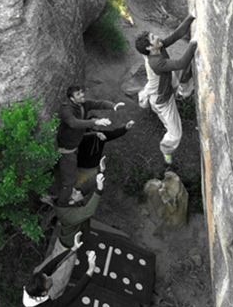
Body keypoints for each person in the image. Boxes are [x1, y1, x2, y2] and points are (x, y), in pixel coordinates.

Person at [135, 14, 197, 165]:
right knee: (176, 134)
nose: (157, 37)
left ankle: (182, 92)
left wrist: (191, 17)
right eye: (153, 38)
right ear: (149, 48)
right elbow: (181, 63)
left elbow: (176, 35)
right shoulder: (156, 62)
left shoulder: (157, 47)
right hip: (163, 101)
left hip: (167, 83)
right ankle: (166, 149)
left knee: (182, 77)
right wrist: (194, 42)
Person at [54, 85, 125, 204]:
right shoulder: (66, 110)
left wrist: (113, 106)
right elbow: (73, 123)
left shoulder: (83, 104)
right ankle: (63, 205)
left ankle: (62, 197)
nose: (82, 95)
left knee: (65, 175)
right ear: (71, 99)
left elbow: (98, 104)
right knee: (69, 180)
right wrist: (95, 122)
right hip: (66, 150)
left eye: (81, 92)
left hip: (73, 148)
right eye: (78, 94)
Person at [53, 159, 105, 248]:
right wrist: (99, 189)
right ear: (71, 202)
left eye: (75, 190)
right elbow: (89, 211)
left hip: (80, 233)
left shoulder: (67, 201)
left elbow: (87, 184)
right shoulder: (69, 216)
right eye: (75, 193)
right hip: (69, 246)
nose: (78, 191)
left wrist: (100, 170)